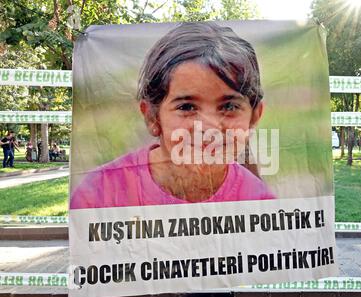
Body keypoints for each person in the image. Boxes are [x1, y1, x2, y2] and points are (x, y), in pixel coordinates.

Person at [70, 22, 276, 209]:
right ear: (152, 117)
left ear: (254, 116)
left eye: (229, 107)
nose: (209, 127)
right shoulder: (99, 195)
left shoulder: (261, 204)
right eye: (187, 107)